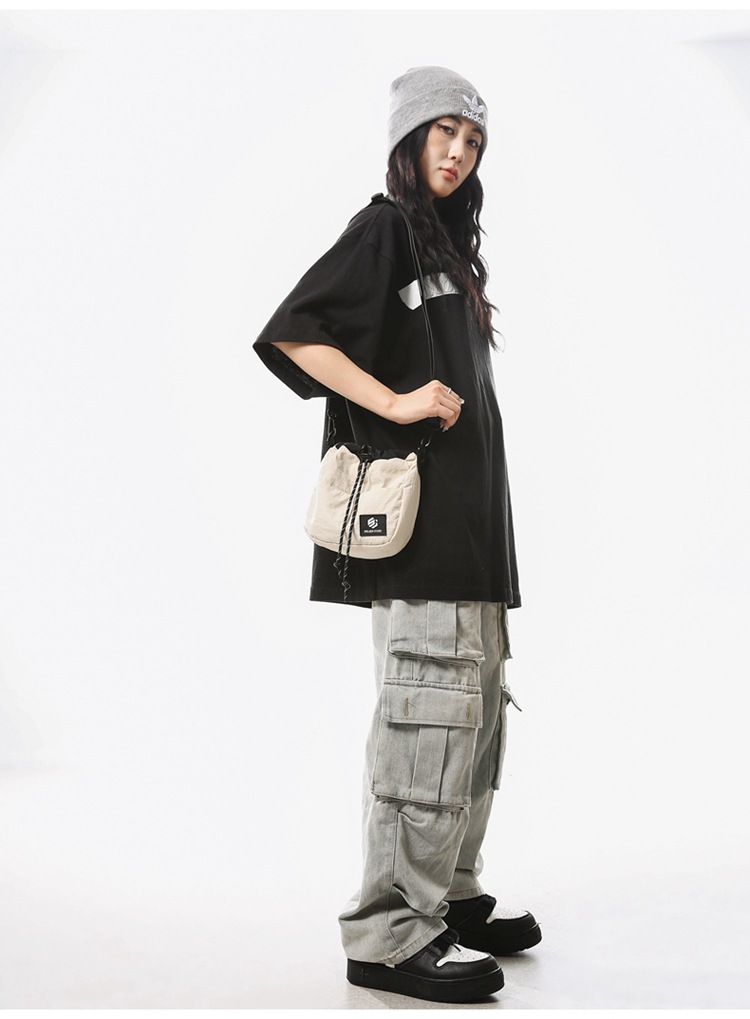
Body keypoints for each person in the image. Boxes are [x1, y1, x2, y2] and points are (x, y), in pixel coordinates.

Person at [253, 65, 541, 1005]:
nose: (459, 151)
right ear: (410, 138)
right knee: (428, 723)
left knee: (473, 724)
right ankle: (387, 931)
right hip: (424, 537)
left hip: (474, 540)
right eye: (444, 131)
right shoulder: (385, 228)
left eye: (473, 139)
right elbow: (296, 333)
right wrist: (394, 399)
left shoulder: (446, 247)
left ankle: (447, 893)